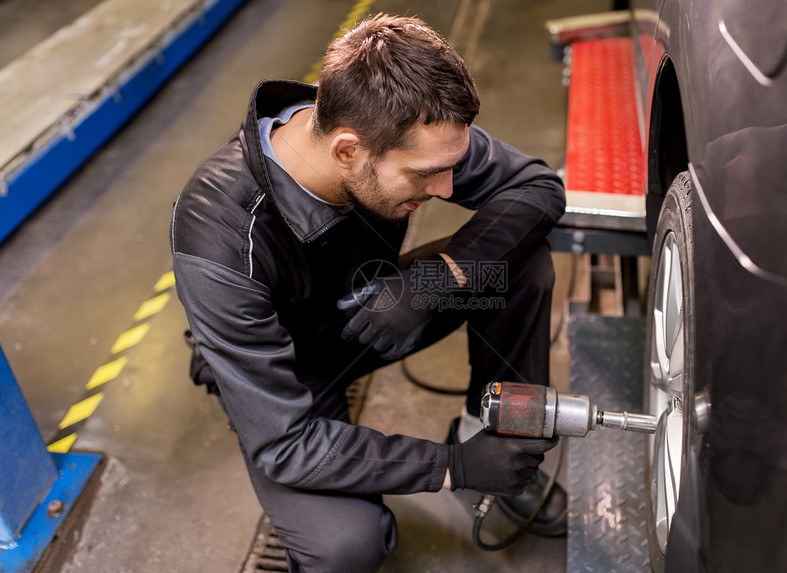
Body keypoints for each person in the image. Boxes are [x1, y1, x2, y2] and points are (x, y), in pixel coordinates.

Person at [171, 13, 566, 572]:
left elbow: (537, 185)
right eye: (427, 175)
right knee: (346, 546)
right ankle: (475, 459)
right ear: (347, 151)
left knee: (520, 263)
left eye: (451, 167)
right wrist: (452, 466)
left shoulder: (398, 120)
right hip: (290, 374)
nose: (448, 189)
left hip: (382, 309)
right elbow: (284, 445)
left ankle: (500, 437)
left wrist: (439, 279)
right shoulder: (219, 239)